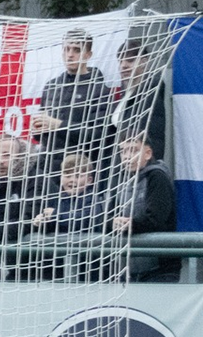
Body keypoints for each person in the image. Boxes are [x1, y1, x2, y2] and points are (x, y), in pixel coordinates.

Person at [0, 135, 49, 280]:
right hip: (11, 261)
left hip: (40, 268)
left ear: (20, 157)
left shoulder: (37, 180)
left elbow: (30, 222)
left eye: (6, 155)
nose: (0, 161)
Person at [30, 30, 111, 166]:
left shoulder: (99, 90)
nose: (70, 55)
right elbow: (41, 135)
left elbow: (98, 134)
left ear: (88, 55)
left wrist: (58, 125)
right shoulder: (51, 86)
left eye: (76, 50)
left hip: (79, 168)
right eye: (66, 49)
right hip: (48, 164)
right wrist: (37, 130)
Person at [114, 134, 179, 281]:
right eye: (123, 151)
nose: (127, 156)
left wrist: (131, 224)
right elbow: (108, 214)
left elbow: (156, 217)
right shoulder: (121, 181)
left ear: (148, 153)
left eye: (134, 150)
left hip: (160, 268)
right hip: (130, 266)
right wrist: (113, 223)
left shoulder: (157, 177)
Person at [31, 153, 103, 281]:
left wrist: (55, 217)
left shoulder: (93, 199)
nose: (72, 180)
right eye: (67, 175)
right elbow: (52, 225)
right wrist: (42, 222)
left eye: (78, 176)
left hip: (88, 268)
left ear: (89, 180)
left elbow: (85, 219)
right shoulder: (56, 199)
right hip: (57, 266)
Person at [114, 37, 169, 161]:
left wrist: (150, 165)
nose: (123, 65)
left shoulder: (152, 89)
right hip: (123, 162)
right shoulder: (124, 93)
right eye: (120, 61)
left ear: (144, 62)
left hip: (140, 164)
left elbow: (154, 136)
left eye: (130, 60)